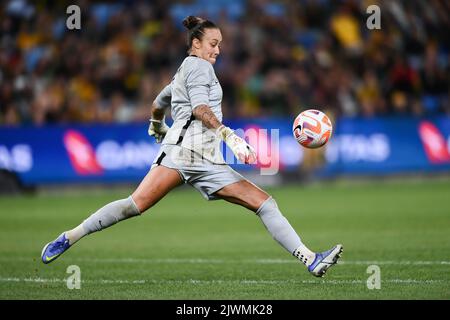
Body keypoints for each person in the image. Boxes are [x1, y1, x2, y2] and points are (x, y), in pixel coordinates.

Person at [41, 16, 343, 277]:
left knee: (264, 203)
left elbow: (159, 101)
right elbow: (200, 108)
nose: (218, 49)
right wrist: (230, 137)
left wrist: (157, 124)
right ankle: (71, 235)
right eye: (213, 43)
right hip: (184, 154)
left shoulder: (185, 69)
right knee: (135, 205)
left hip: (207, 159)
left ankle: (310, 259)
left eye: (220, 43)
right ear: (196, 43)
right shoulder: (199, 68)